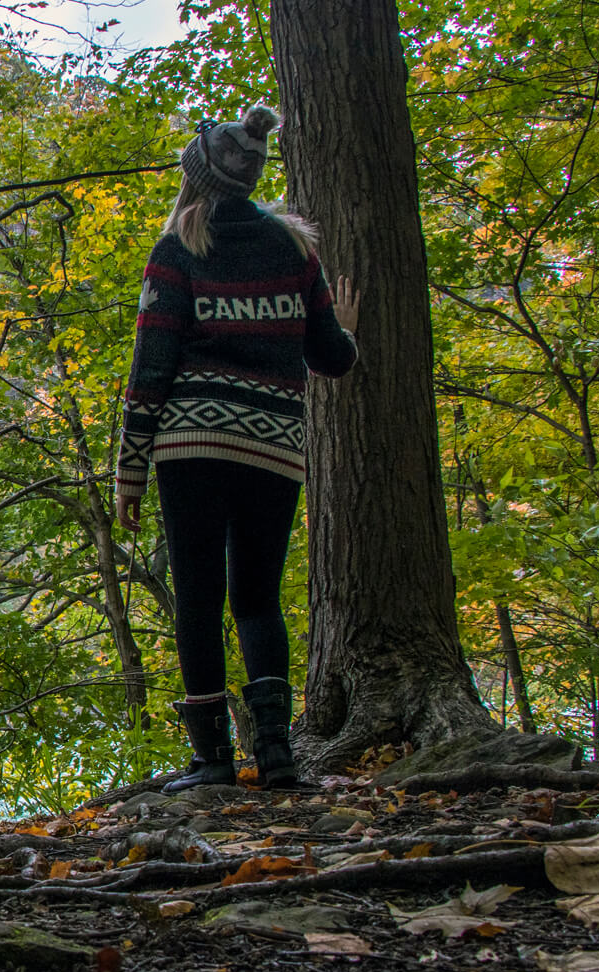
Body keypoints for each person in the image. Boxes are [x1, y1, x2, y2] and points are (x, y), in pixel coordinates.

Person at [114, 106, 360, 792]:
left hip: (190, 446)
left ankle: (212, 763)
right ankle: (277, 758)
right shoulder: (294, 250)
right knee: (258, 597)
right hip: (273, 448)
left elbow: (151, 368)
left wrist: (129, 473)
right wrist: (347, 329)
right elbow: (331, 358)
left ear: (196, 176)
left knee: (197, 597)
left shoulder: (177, 249)